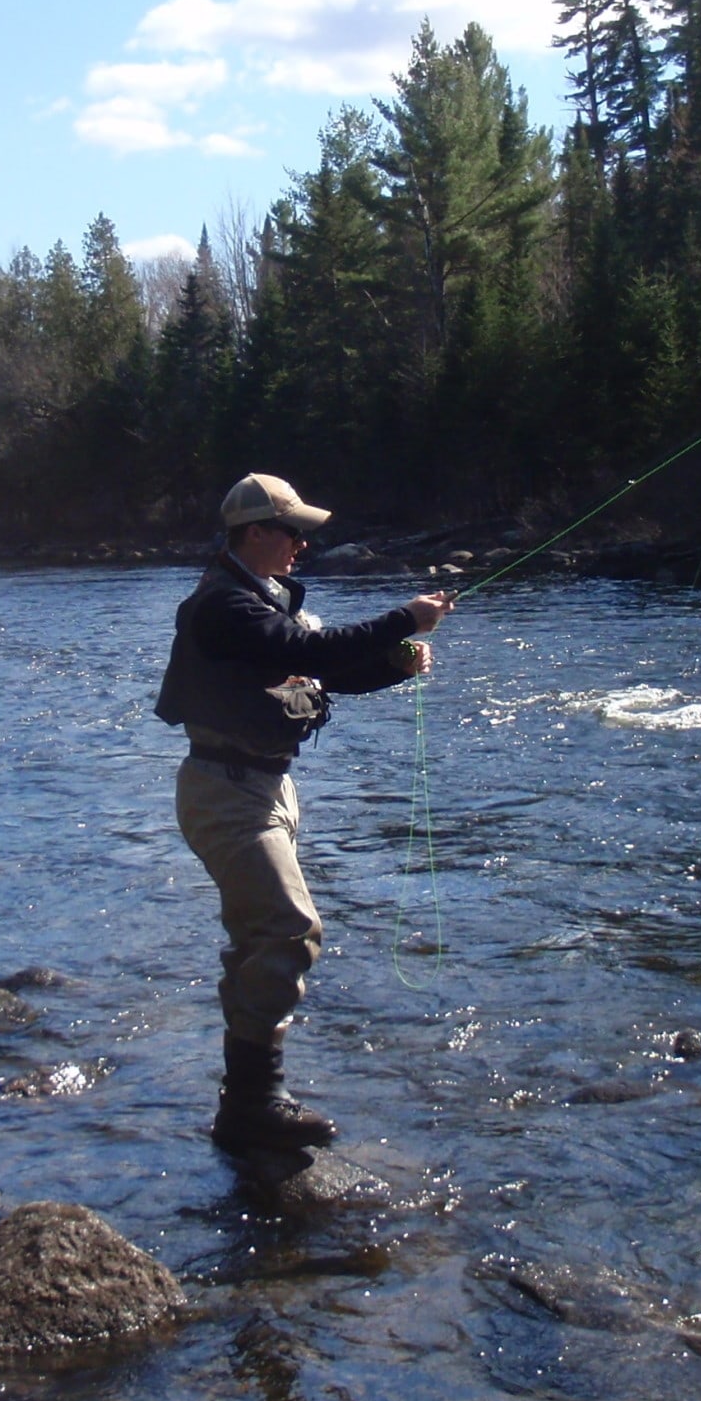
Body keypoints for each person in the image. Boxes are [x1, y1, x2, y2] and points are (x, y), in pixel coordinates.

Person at [154, 474, 451, 1155]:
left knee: (260, 938)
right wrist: (403, 620)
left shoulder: (264, 601)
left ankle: (244, 1105)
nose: (302, 544)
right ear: (255, 532)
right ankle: (256, 1104)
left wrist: (396, 666)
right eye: (292, 531)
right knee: (290, 931)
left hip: (263, 788)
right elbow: (306, 652)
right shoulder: (223, 606)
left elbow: (326, 673)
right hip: (226, 790)